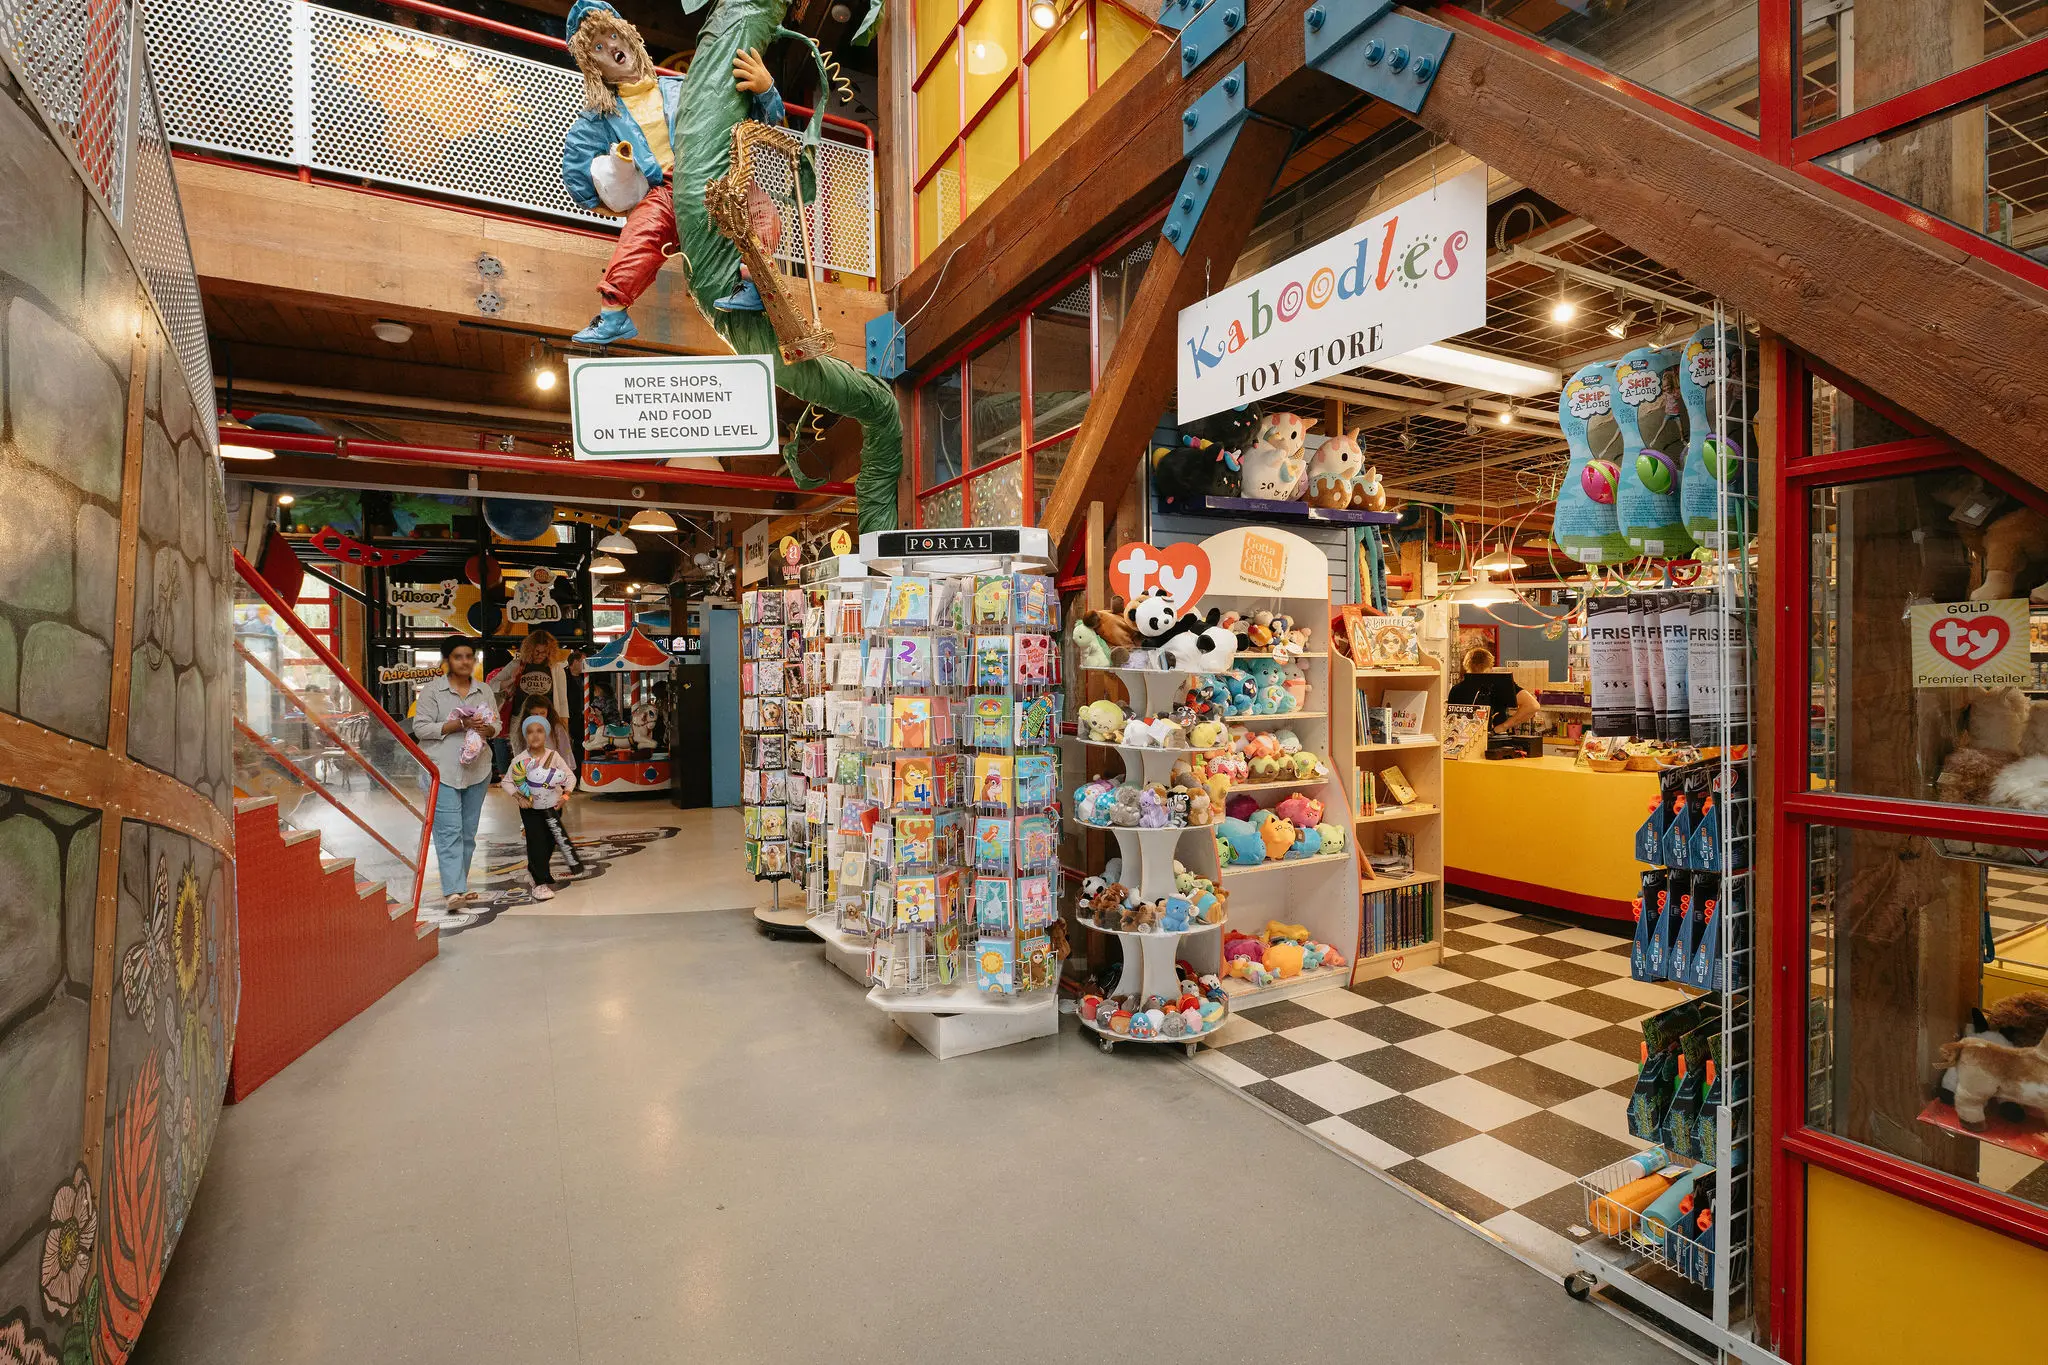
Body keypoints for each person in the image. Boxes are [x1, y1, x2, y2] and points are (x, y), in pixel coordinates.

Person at [558, 0, 786, 343]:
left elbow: (759, 117)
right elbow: (578, 178)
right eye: (598, 48)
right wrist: (614, 198)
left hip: (711, 170)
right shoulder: (599, 118)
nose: (611, 47)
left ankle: (755, 281)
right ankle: (613, 312)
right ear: (594, 67)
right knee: (640, 234)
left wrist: (766, 89)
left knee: (758, 210)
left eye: (613, 36)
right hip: (663, 188)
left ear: (629, 38)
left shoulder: (684, 87)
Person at [412, 637, 500, 911]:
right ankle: (453, 891)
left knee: (468, 832)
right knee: (449, 831)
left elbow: (496, 723)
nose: (465, 662)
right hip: (442, 771)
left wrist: (488, 729)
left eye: (469, 656)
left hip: (478, 770)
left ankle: (459, 885)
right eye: (458, 656)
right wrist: (460, 724)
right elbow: (420, 728)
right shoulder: (433, 691)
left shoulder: (484, 690)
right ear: (447, 661)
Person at [501, 713, 580, 900]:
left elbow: (570, 777)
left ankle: (535, 870)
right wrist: (518, 797)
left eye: (539, 731)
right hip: (530, 809)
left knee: (550, 840)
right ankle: (539, 883)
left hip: (553, 807)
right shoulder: (520, 760)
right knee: (536, 842)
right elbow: (507, 781)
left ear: (546, 734)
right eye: (530, 732)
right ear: (525, 736)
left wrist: (565, 796)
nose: (535, 735)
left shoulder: (554, 756)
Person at [1448, 645, 1540, 732]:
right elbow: (1533, 705)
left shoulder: (1456, 690)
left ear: (1466, 665)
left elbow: (1451, 721)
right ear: (1490, 666)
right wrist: (1504, 726)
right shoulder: (1500, 684)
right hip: (1494, 737)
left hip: (1465, 738)